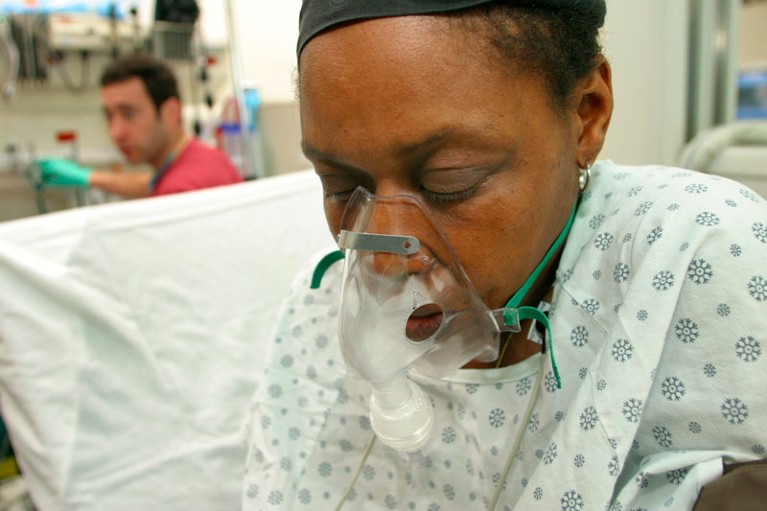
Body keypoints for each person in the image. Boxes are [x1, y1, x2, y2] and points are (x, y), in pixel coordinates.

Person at [242, 1, 767, 510]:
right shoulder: (318, 308)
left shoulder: (687, 258)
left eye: (449, 181)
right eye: (340, 185)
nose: (383, 259)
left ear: (587, 115)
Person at [37, 54, 242, 198]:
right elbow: (150, 183)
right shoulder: (206, 157)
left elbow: (166, 187)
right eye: (109, 116)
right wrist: (88, 177)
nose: (116, 132)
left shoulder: (176, 194)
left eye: (129, 113)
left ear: (170, 112)